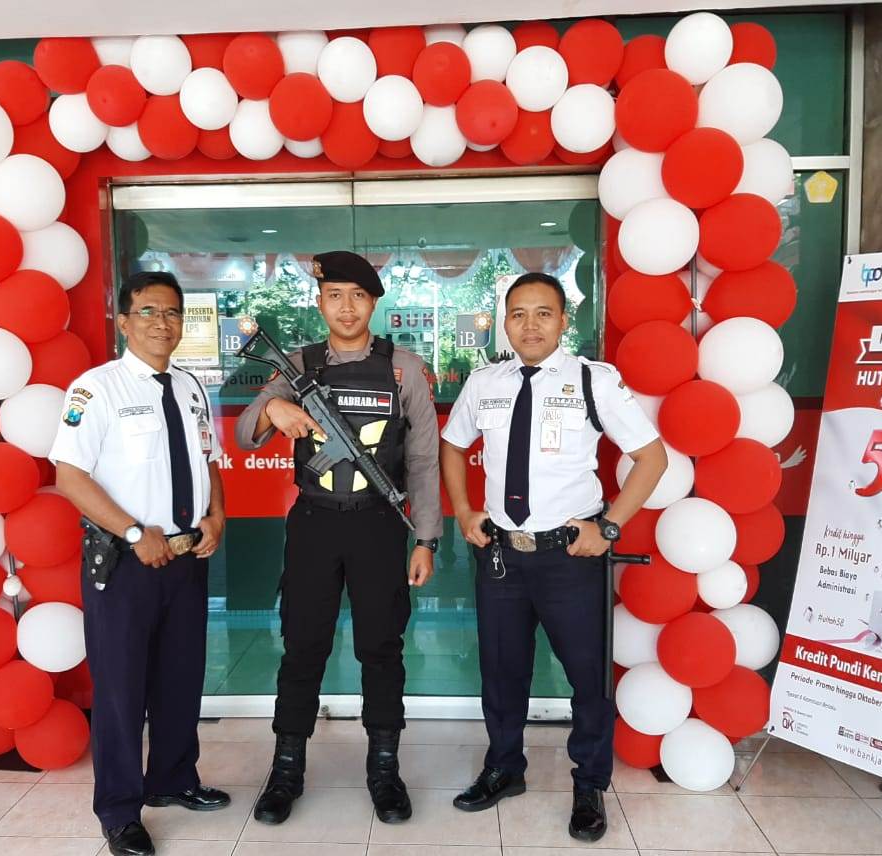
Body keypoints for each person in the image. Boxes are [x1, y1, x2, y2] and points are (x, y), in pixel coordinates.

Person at [440, 272, 667, 843]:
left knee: (587, 678)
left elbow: (652, 457)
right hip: (501, 556)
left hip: (570, 557)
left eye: (543, 313)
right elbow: (452, 444)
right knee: (501, 672)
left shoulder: (593, 380)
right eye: (518, 314)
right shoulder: (485, 382)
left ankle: (589, 784)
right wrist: (464, 510)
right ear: (505, 323)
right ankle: (504, 768)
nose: (530, 325)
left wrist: (608, 527)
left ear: (565, 321)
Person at [234, 251, 442, 825]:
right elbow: (247, 434)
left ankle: (384, 768)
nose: (346, 307)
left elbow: (423, 461)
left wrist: (425, 539)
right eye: (334, 296)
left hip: (379, 524)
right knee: (303, 646)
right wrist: (276, 406)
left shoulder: (403, 369)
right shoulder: (298, 364)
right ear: (320, 303)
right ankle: (286, 768)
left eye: (357, 296)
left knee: (382, 647)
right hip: (315, 524)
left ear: (373, 303)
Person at [51, 271, 230, 856]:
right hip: (127, 563)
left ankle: (173, 779)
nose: (162, 323)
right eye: (148, 311)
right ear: (124, 322)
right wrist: (132, 531)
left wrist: (216, 516)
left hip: (186, 558)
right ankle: (120, 811)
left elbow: (208, 462)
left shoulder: (191, 387)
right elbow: (69, 476)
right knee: (122, 691)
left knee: (181, 679)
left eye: (173, 312)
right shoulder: (96, 389)